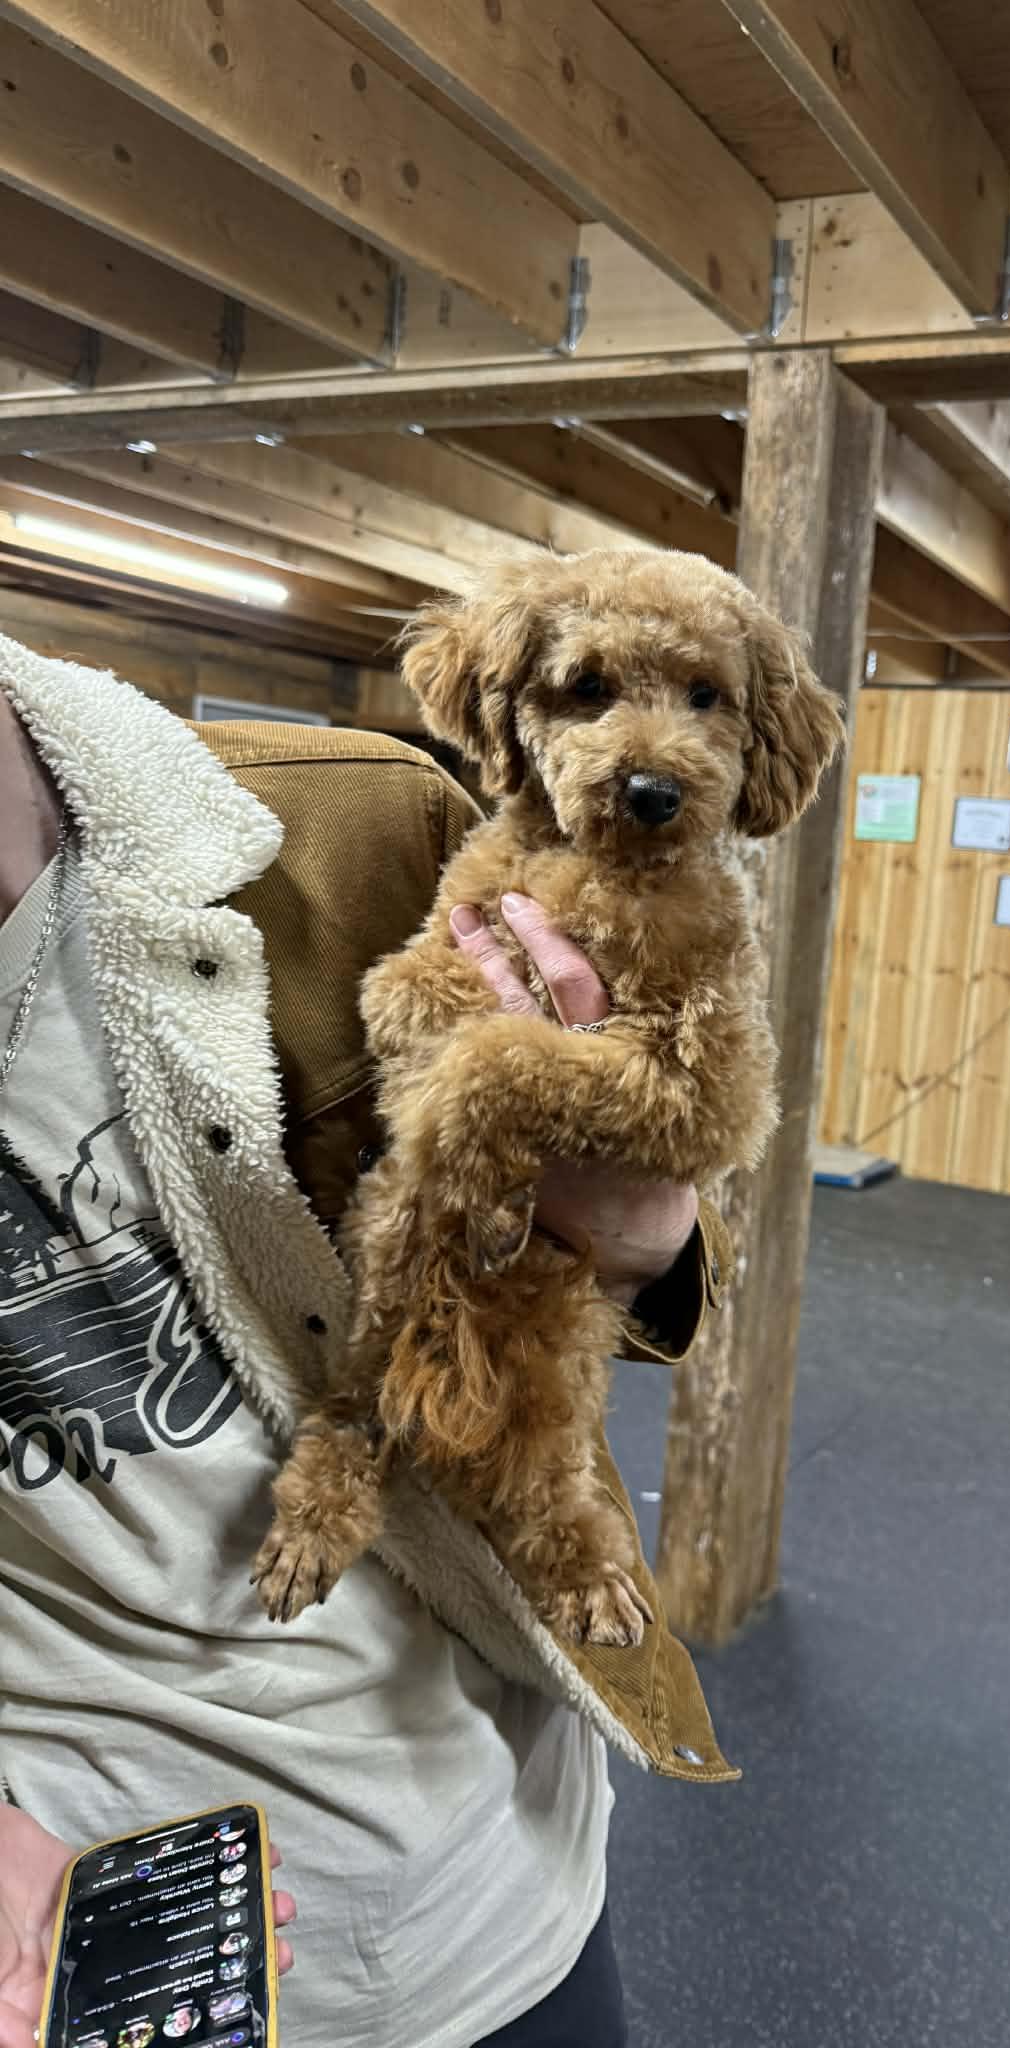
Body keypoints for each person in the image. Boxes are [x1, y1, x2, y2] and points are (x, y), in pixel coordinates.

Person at [0, 635, 735, 2048]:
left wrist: (648, 1233)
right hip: (85, 1946)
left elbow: (667, 1256)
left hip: (491, 1887)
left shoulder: (357, 836)